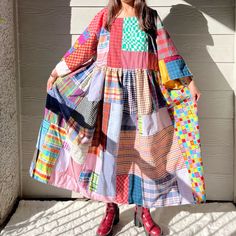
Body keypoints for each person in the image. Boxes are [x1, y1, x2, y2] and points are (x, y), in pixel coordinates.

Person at [29, 0, 206, 236]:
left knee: (146, 153)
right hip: (108, 97)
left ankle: (143, 210)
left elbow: (167, 51)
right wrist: (57, 72)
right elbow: (83, 47)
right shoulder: (105, 17)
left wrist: (188, 81)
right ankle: (110, 208)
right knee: (107, 156)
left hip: (143, 97)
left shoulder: (150, 18)